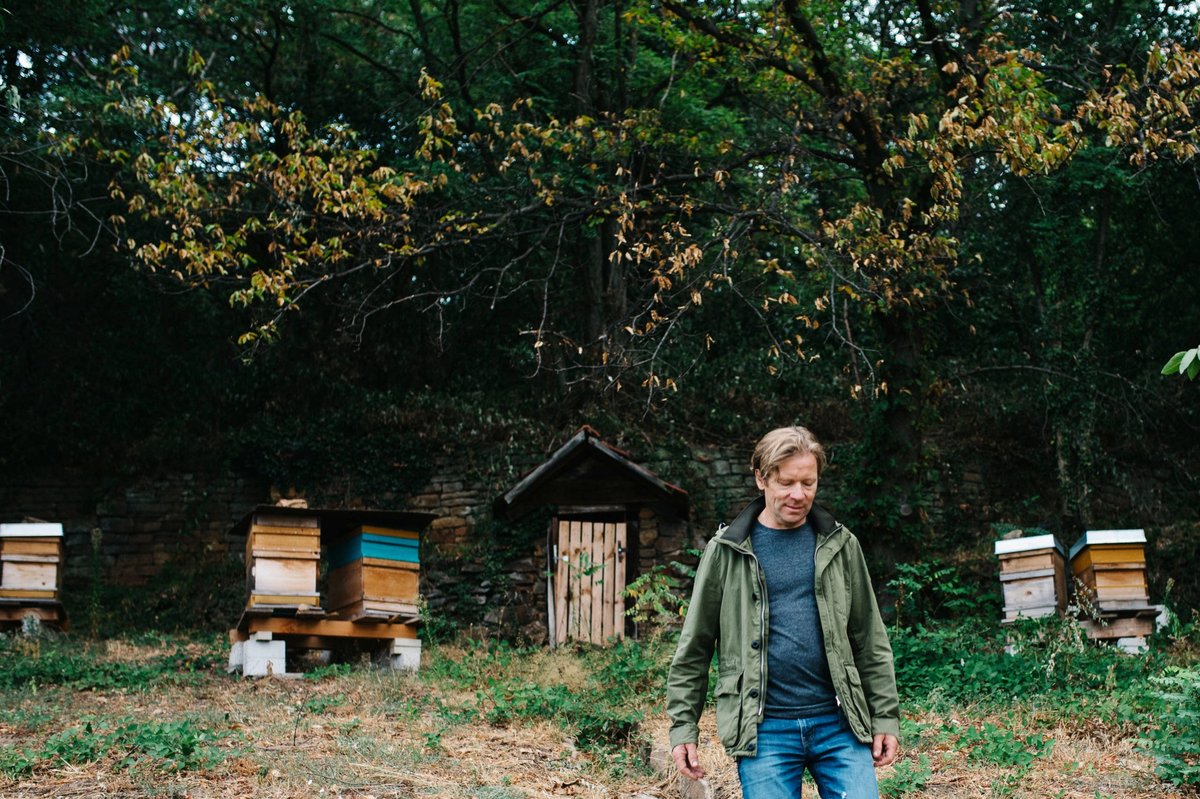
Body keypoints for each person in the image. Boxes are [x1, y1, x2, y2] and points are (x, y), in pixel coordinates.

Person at [666, 425, 900, 798]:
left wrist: (885, 716)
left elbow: (870, 639)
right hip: (765, 729)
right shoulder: (726, 551)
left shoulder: (841, 545)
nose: (798, 494)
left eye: (808, 483)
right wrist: (683, 730)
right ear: (761, 478)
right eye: (787, 482)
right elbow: (694, 648)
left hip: (838, 723)